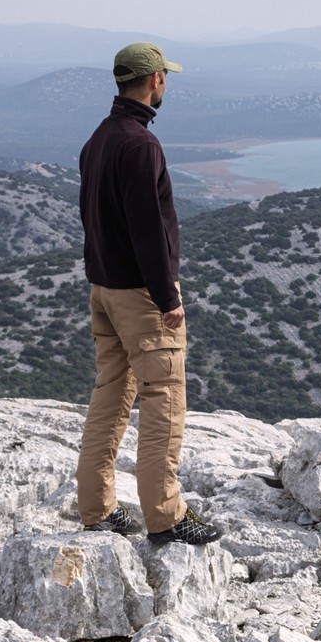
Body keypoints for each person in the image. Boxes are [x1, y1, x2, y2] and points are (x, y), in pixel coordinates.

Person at [73, 41, 222, 545]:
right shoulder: (140, 145)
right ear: (155, 79)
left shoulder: (98, 139)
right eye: (166, 77)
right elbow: (147, 231)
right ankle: (166, 515)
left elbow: (92, 220)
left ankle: (97, 508)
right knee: (164, 397)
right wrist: (168, 298)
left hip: (103, 289)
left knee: (111, 394)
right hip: (140, 295)